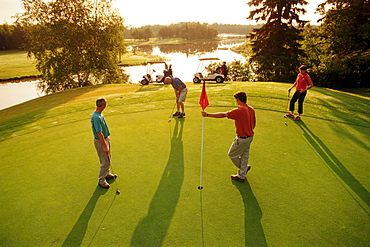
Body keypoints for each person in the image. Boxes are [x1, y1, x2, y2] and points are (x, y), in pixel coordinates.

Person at [201, 91, 256, 182]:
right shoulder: (251, 109)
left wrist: (207, 114)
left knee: (232, 155)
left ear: (238, 100)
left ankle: (244, 169)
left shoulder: (239, 110)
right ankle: (242, 175)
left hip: (242, 139)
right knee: (245, 156)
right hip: (250, 137)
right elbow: (254, 124)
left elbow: (223, 114)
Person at [91, 98, 117, 188]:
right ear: (103, 105)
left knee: (108, 157)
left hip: (105, 139)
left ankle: (107, 173)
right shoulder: (96, 117)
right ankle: (101, 180)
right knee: (104, 161)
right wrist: (104, 145)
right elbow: (99, 132)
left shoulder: (99, 114)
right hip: (100, 141)